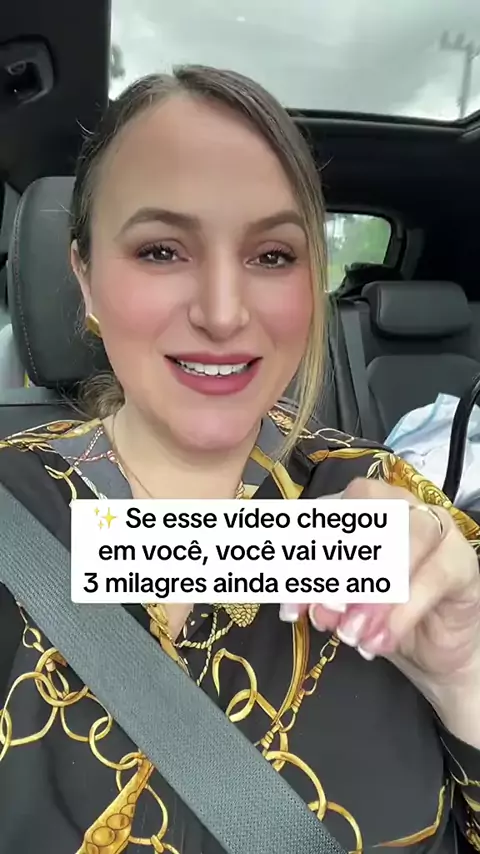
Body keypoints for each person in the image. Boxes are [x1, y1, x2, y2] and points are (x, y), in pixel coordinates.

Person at [0, 65, 479, 854]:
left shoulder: (390, 506)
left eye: (272, 255)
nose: (223, 313)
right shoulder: (12, 511)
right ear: (84, 276)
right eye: (161, 250)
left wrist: (467, 678)